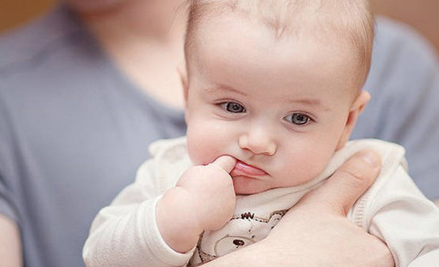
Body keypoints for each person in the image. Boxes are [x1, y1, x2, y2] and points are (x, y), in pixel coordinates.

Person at [0, 0, 437, 266]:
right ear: (188, 93)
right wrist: (175, 219)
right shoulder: (168, 174)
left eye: (298, 119)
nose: (258, 142)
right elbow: (101, 257)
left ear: (348, 121)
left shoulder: (375, 179)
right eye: (233, 107)